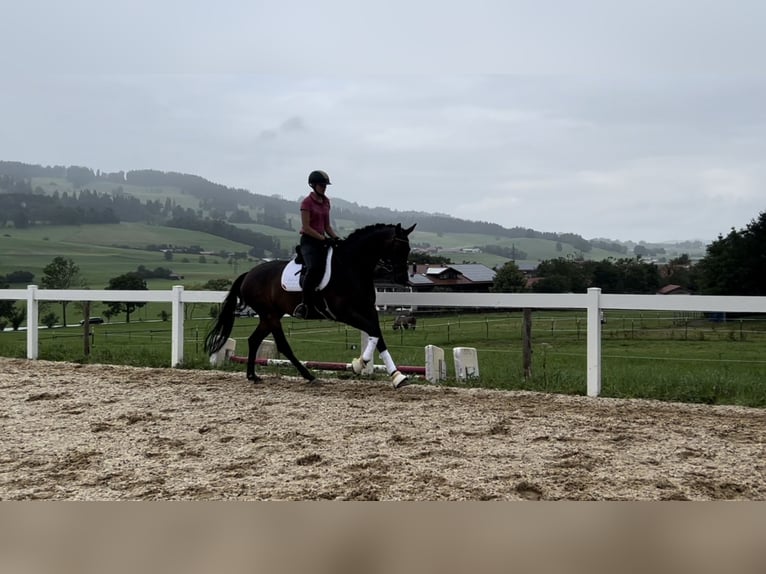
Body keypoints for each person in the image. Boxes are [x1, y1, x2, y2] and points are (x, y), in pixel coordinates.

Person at [293, 170, 341, 319]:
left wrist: (336, 238)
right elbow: (306, 227)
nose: (324, 187)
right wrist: (323, 239)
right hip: (309, 242)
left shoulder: (326, 201)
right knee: (314, 269)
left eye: (325, 185)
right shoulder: (306, 203)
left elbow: (327, 226)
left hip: (322, 240)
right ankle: (305, 305)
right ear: (313, 185)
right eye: (321, 185)